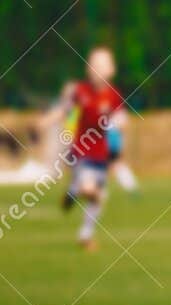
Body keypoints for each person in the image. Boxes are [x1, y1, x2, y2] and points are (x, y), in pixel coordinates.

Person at [45, 46, 125, 252]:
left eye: (103, 65)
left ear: (111, 70)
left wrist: (122, 124)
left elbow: (121, 118)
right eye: (94, 65)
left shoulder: (114, 95)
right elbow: (64, 110)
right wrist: (46, 120)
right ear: (88, 68)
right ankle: (78, 189)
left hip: (101, 155)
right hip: (81, 152)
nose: (98, 69)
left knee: (98, 197)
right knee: (91, 190)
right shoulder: (81, 91)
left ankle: (84, 232)